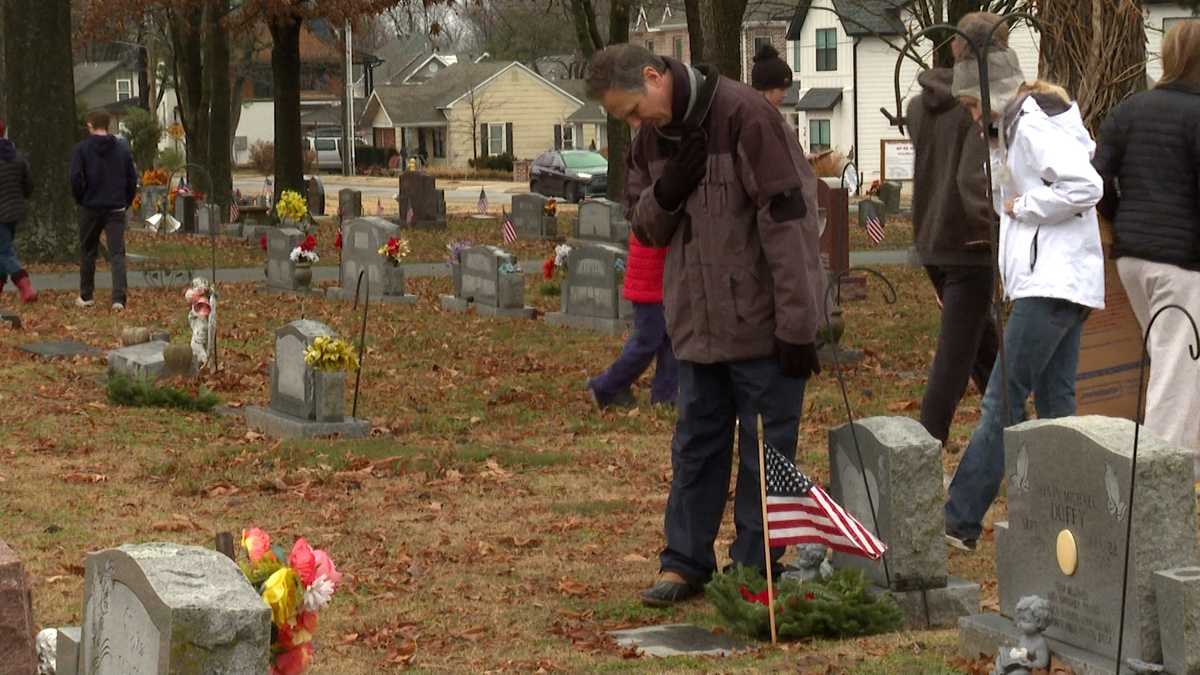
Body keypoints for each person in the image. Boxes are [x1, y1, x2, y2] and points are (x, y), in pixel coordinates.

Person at [585, 44, 824, 606]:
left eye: (633, 110)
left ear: (654, 76)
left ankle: (753, 567)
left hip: (764, 326)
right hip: (694, 323)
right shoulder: (650, 141)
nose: (634, 124)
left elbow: (790, 223)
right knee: (694, 447)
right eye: (624, 119)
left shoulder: (747, 118)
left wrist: (799, 325)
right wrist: (668, 192)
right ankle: (685, 562)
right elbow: (643, 228)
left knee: (766, 455)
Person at [943, 34, 1105, 551]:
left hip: (1053, 283)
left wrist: (1025, 207)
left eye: (972, 105)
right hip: (1058, 281)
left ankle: (959, 518)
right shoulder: (1015, 129)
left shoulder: (1032, 125)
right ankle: (1073, 519)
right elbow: (1004, 197)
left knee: (1003, 401)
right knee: (1057, 405)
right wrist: (998, 157)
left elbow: (1085, 186)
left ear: (989, 96)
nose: (971, 117)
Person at [1093, 20, 1200, 479]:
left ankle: (1178, 461)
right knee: (1176, 366)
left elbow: (1094, 179)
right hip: (1182, 260)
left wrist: (1122, 218)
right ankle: (1161, 476)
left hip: (1133, 257)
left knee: (1170, 357)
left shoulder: (1129, 110)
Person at [906, 13, 1002, 446]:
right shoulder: (977, 105)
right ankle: (924, 445)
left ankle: (1011, 425)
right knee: (955, 355)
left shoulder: (917, 106)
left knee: (981, 342)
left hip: (931, 237)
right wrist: (996, 228)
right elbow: (972, 181)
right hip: (969, 239)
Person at [587, 230, 678, 408]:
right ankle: (606, 386)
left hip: (660, 276)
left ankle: (666, 396)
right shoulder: (657, 204)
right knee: (647, 342)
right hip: (652, 277)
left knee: (671, 339)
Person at [71, 111, 137, 311]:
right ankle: (118, 298)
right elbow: (132, 179)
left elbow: (75, 177)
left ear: (90, 124)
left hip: (91, 205)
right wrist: (125, 201)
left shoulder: (82, 149)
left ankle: (86, 295)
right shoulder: (121, 149)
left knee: (88, 250)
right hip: (115, 207)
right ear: (108, 124)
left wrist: (81, 197)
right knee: (117, 253)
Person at [0, 119, 37, 303]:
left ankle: (25, 286)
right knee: (2, 250)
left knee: (4, 252)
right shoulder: (17, 156)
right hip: (14, 211)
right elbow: (28, 185)